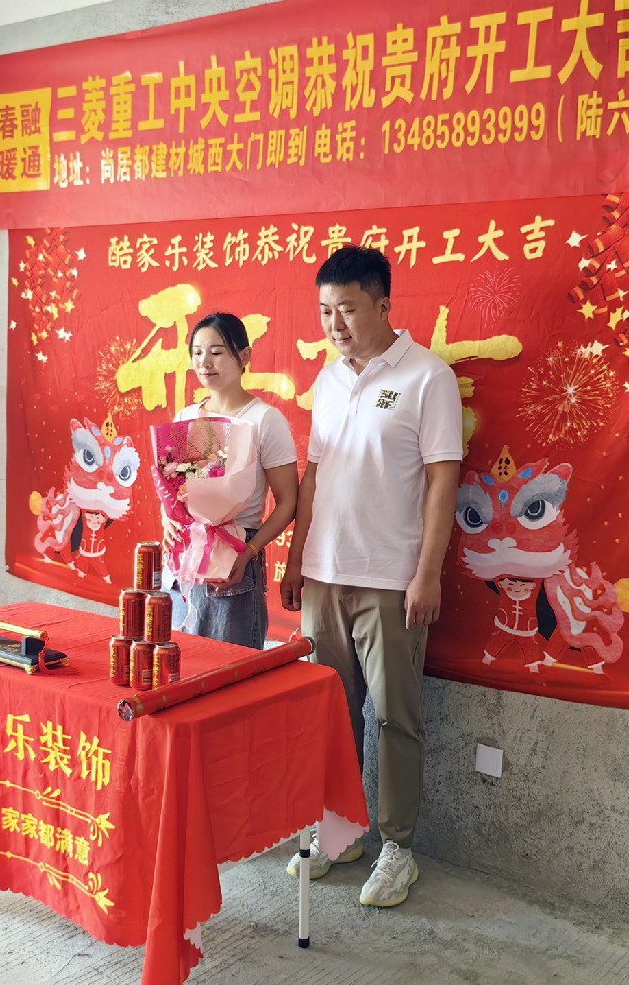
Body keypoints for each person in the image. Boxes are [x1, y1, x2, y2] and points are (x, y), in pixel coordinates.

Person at [280, 246, 463, 907]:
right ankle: (339, 832)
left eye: (348, 309)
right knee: (328, 713)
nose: (335, 324)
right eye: (325, 311)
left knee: (393, 717)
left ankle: (397, 848)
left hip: (390, 577)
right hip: (324, 574)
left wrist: (426, 574)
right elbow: (313, 476)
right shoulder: (328, 379)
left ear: (383, 305)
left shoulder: (427, 377)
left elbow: (442, 480)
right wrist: (296, 558)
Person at [162, 312, 298, 649]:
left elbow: (288, 502)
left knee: (230, 669)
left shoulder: (265, 420)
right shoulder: (186, 417)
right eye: (197, 352)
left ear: (244, 356)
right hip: (185, 560)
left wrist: (249, 551)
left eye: (217, 352)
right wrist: (168, 519)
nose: (204, 362)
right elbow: (172, 488)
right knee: (176, 665)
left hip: (235, 559)